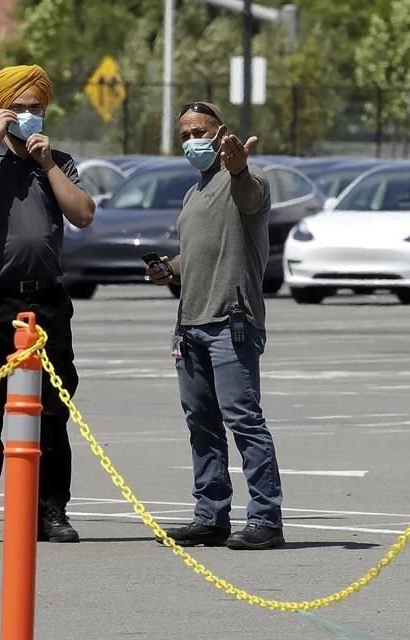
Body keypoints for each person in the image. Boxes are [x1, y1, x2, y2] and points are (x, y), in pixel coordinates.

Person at [0, 64, 96, 544]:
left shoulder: (58, 161)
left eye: (36, 109)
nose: (27, 116)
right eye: (19, 108)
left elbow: (83, 214)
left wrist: (47, 164)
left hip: (45, 300)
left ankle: (50, 510)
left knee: (51, 409)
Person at [147, 101, 285, 550]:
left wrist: (240, 169)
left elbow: (252, 199)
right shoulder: (194, 194)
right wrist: (169, 268)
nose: (192, 141)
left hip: (232, 322)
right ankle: (211, 515)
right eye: (185, 134)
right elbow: (199, 253)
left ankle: (266, 519)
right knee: (201, 423)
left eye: (200, 131)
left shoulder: (245, 182)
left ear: (220, 132)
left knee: (244, 421)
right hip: (191, 325)